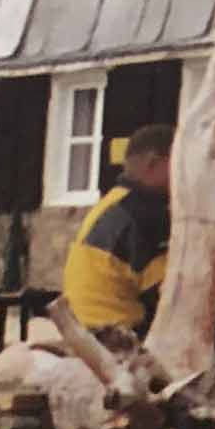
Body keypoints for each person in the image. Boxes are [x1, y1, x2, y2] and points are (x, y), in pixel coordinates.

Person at [62, 123, 175, 338]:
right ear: (153, 163)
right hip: (119, 338)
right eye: (179, 163)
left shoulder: (112, 203)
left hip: (83, 332)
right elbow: (169, 296)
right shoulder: (147, 215)